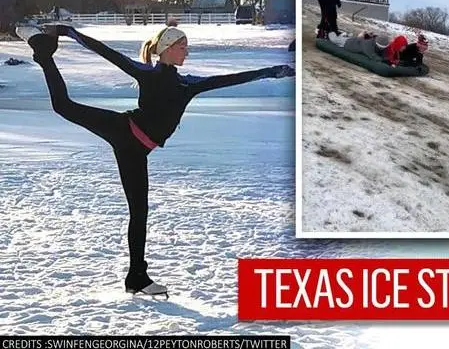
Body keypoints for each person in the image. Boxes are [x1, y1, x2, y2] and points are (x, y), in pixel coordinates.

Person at [19, 24, 295, 297]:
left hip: (137, 151)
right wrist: (69, 32)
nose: (186, 52)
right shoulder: (147, 73)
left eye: (187, 47)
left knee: (139, 213)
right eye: (182, 46)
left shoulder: (188, 83)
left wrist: (271, 72)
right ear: (166, 49)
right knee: (63, 106)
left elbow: (229, 79)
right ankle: (43, 52)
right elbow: (107, 52)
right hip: (123, 129)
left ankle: (136, 277)